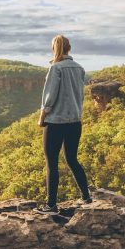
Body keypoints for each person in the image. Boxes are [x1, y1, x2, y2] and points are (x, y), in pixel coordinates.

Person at [35, 35, 92, 216]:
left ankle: (51, 205)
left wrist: (42, 117)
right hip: (75, 121)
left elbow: (49, 97)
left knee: (52, 163)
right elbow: (80, 97)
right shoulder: (79, 69)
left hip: (56, 122)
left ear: (55, 48)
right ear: (69, 48)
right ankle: (86, 196)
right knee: (72, 159)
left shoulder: (55, 68)